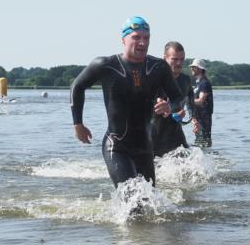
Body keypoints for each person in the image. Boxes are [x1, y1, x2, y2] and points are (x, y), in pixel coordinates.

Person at [69, 16, 182, 187]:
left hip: (145, 146)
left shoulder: (158, 67)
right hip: (116, 145)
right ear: (123, 39)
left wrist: (169, 106)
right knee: (131, 198)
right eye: (136, 37)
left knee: (148, 201)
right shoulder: (106, 65)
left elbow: (178, 98)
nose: (142, 42)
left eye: (146, 38)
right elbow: (77, 86)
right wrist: (78, 124)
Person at [150, 41, 193, 157]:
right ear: (165, 58)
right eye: (174, 59)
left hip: (175, 131)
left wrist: (192, 119)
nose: (179, 63)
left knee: (192, 164)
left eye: (182, 59)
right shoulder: (153, 78)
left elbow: (190, 102)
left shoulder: (186, 80)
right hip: (154, 132)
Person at [191, 59, 214, 148]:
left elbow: (201, 101)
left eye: (194, 67)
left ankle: (206, 159)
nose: (192, 68)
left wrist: (186, 99)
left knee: (204, 142)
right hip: (198, 118)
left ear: (200, 69)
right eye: (192, 67)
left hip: (204, 118)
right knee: (199, 142)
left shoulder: (204, 83)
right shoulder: (198, 83)